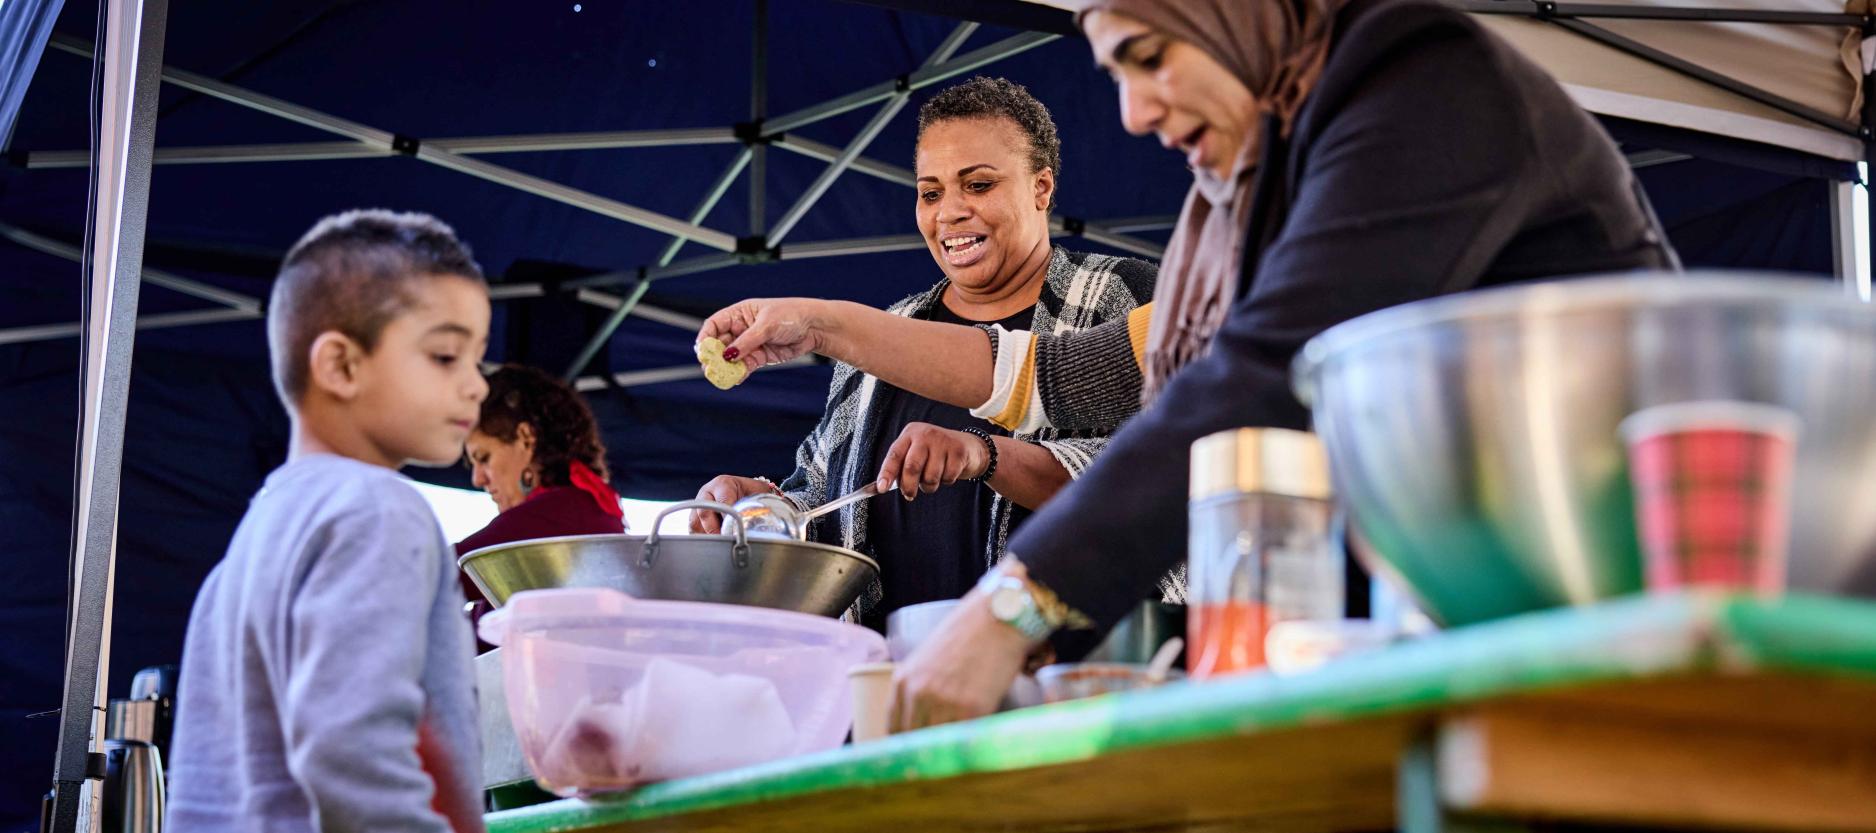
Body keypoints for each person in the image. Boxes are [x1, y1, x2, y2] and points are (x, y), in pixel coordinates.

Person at [701, 0, 1678, 730]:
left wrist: (1005, 607)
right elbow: (1062, 378)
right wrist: (827, 324)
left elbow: (1252, 377)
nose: (1128, 111)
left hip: (1622, 601)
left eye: (1149, 54)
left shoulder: (1423, 80)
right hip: (1489, 621)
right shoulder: (1270, 169)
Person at [690, 76, 1160, 629]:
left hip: (1064, 678)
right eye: (930, 192)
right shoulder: (889, 330)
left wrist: (983, 455)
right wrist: (762, 508)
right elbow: (825, 501)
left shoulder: (1119, 294)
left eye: (979, 185)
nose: (949, 212)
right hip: (888, 684)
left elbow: (1148, 481)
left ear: (1041, 187)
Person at [167, 210, 491, 832]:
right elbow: (354, 747)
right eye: (446, 355)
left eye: (476, 358)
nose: (476, 385)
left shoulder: (247, 549)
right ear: (340, 366)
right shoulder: (377, 510)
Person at [457, 364, 625, 648]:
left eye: (483, 457)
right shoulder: (585, 505)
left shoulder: (560, 513)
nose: (477, 478)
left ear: (525, 438)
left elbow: (432, 577)